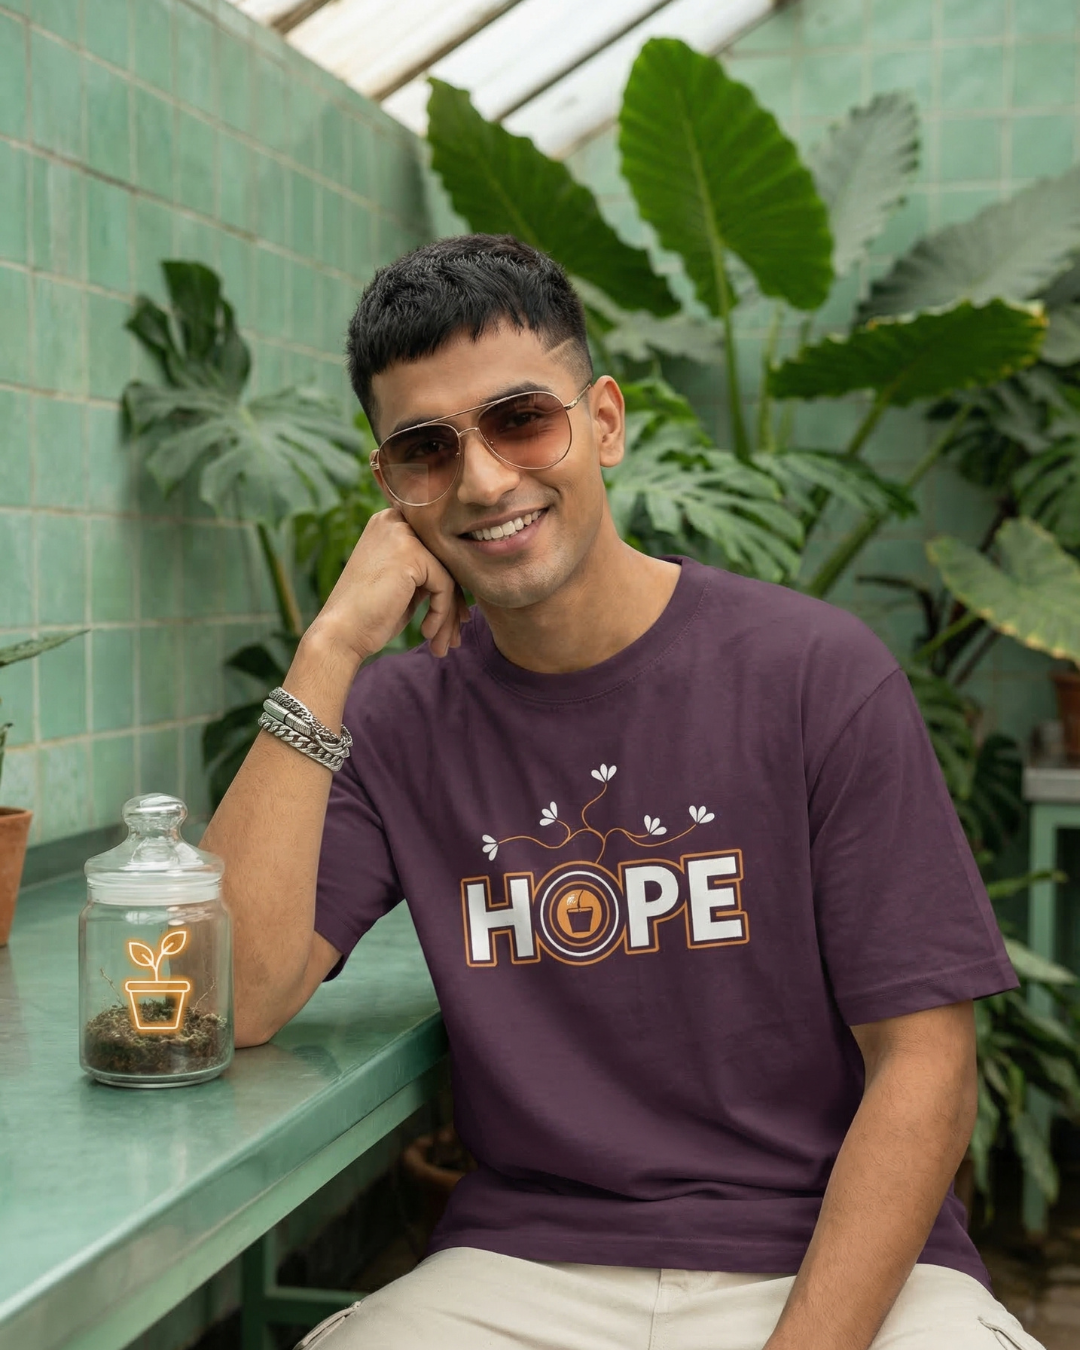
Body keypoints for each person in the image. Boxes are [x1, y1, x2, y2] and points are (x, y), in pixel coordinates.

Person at [202, 234, 1041, 1350]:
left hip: (836, 1266)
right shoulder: (398, 719)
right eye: (426, 449)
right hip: (525, 1269)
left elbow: (927, 1066)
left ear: (602, 420)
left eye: (520, 420)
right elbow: (227, 1000)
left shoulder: (814, 676)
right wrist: (330, 648)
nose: (486, 479)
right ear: (392, 490)